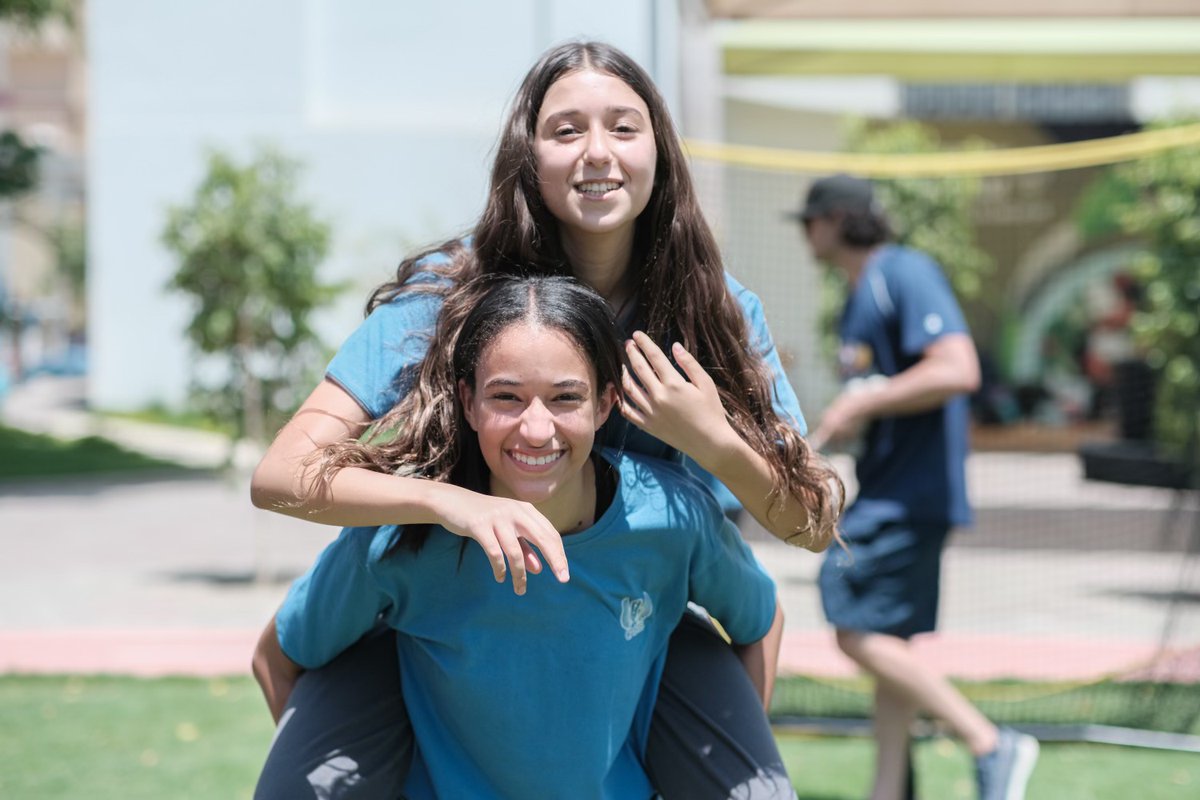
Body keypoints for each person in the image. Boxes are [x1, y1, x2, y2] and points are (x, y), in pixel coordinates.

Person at [250, 41, 843, 799]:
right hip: (448, 608)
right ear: (527, 153)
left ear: (660, 147)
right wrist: (451, 501)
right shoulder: (448, 301)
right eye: (566, 130)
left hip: (630, 621)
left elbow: (814, 520)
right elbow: (280, 474)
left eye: (623, 127)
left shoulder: (715, 310)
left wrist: (712, 439)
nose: (597, 151)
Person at [254, 274, 785, 799]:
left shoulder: (672, 520)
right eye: (506, 397)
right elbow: (278, 657)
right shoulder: (403, 537)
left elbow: (761, 621)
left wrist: (739, 759)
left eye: (565, 398)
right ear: (468, 402)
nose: (536, 429)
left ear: (604, 404)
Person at [793, 174, 1039, 800]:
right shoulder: (856, 297)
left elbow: (957, 369)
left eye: (809, 221)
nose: (805, 234)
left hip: (908, 496)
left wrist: (865, 403)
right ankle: (889, 789)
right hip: (890, 489)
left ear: (838, 219)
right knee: (888, 641)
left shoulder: (902, 272)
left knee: (851, 623)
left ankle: (989, 741)